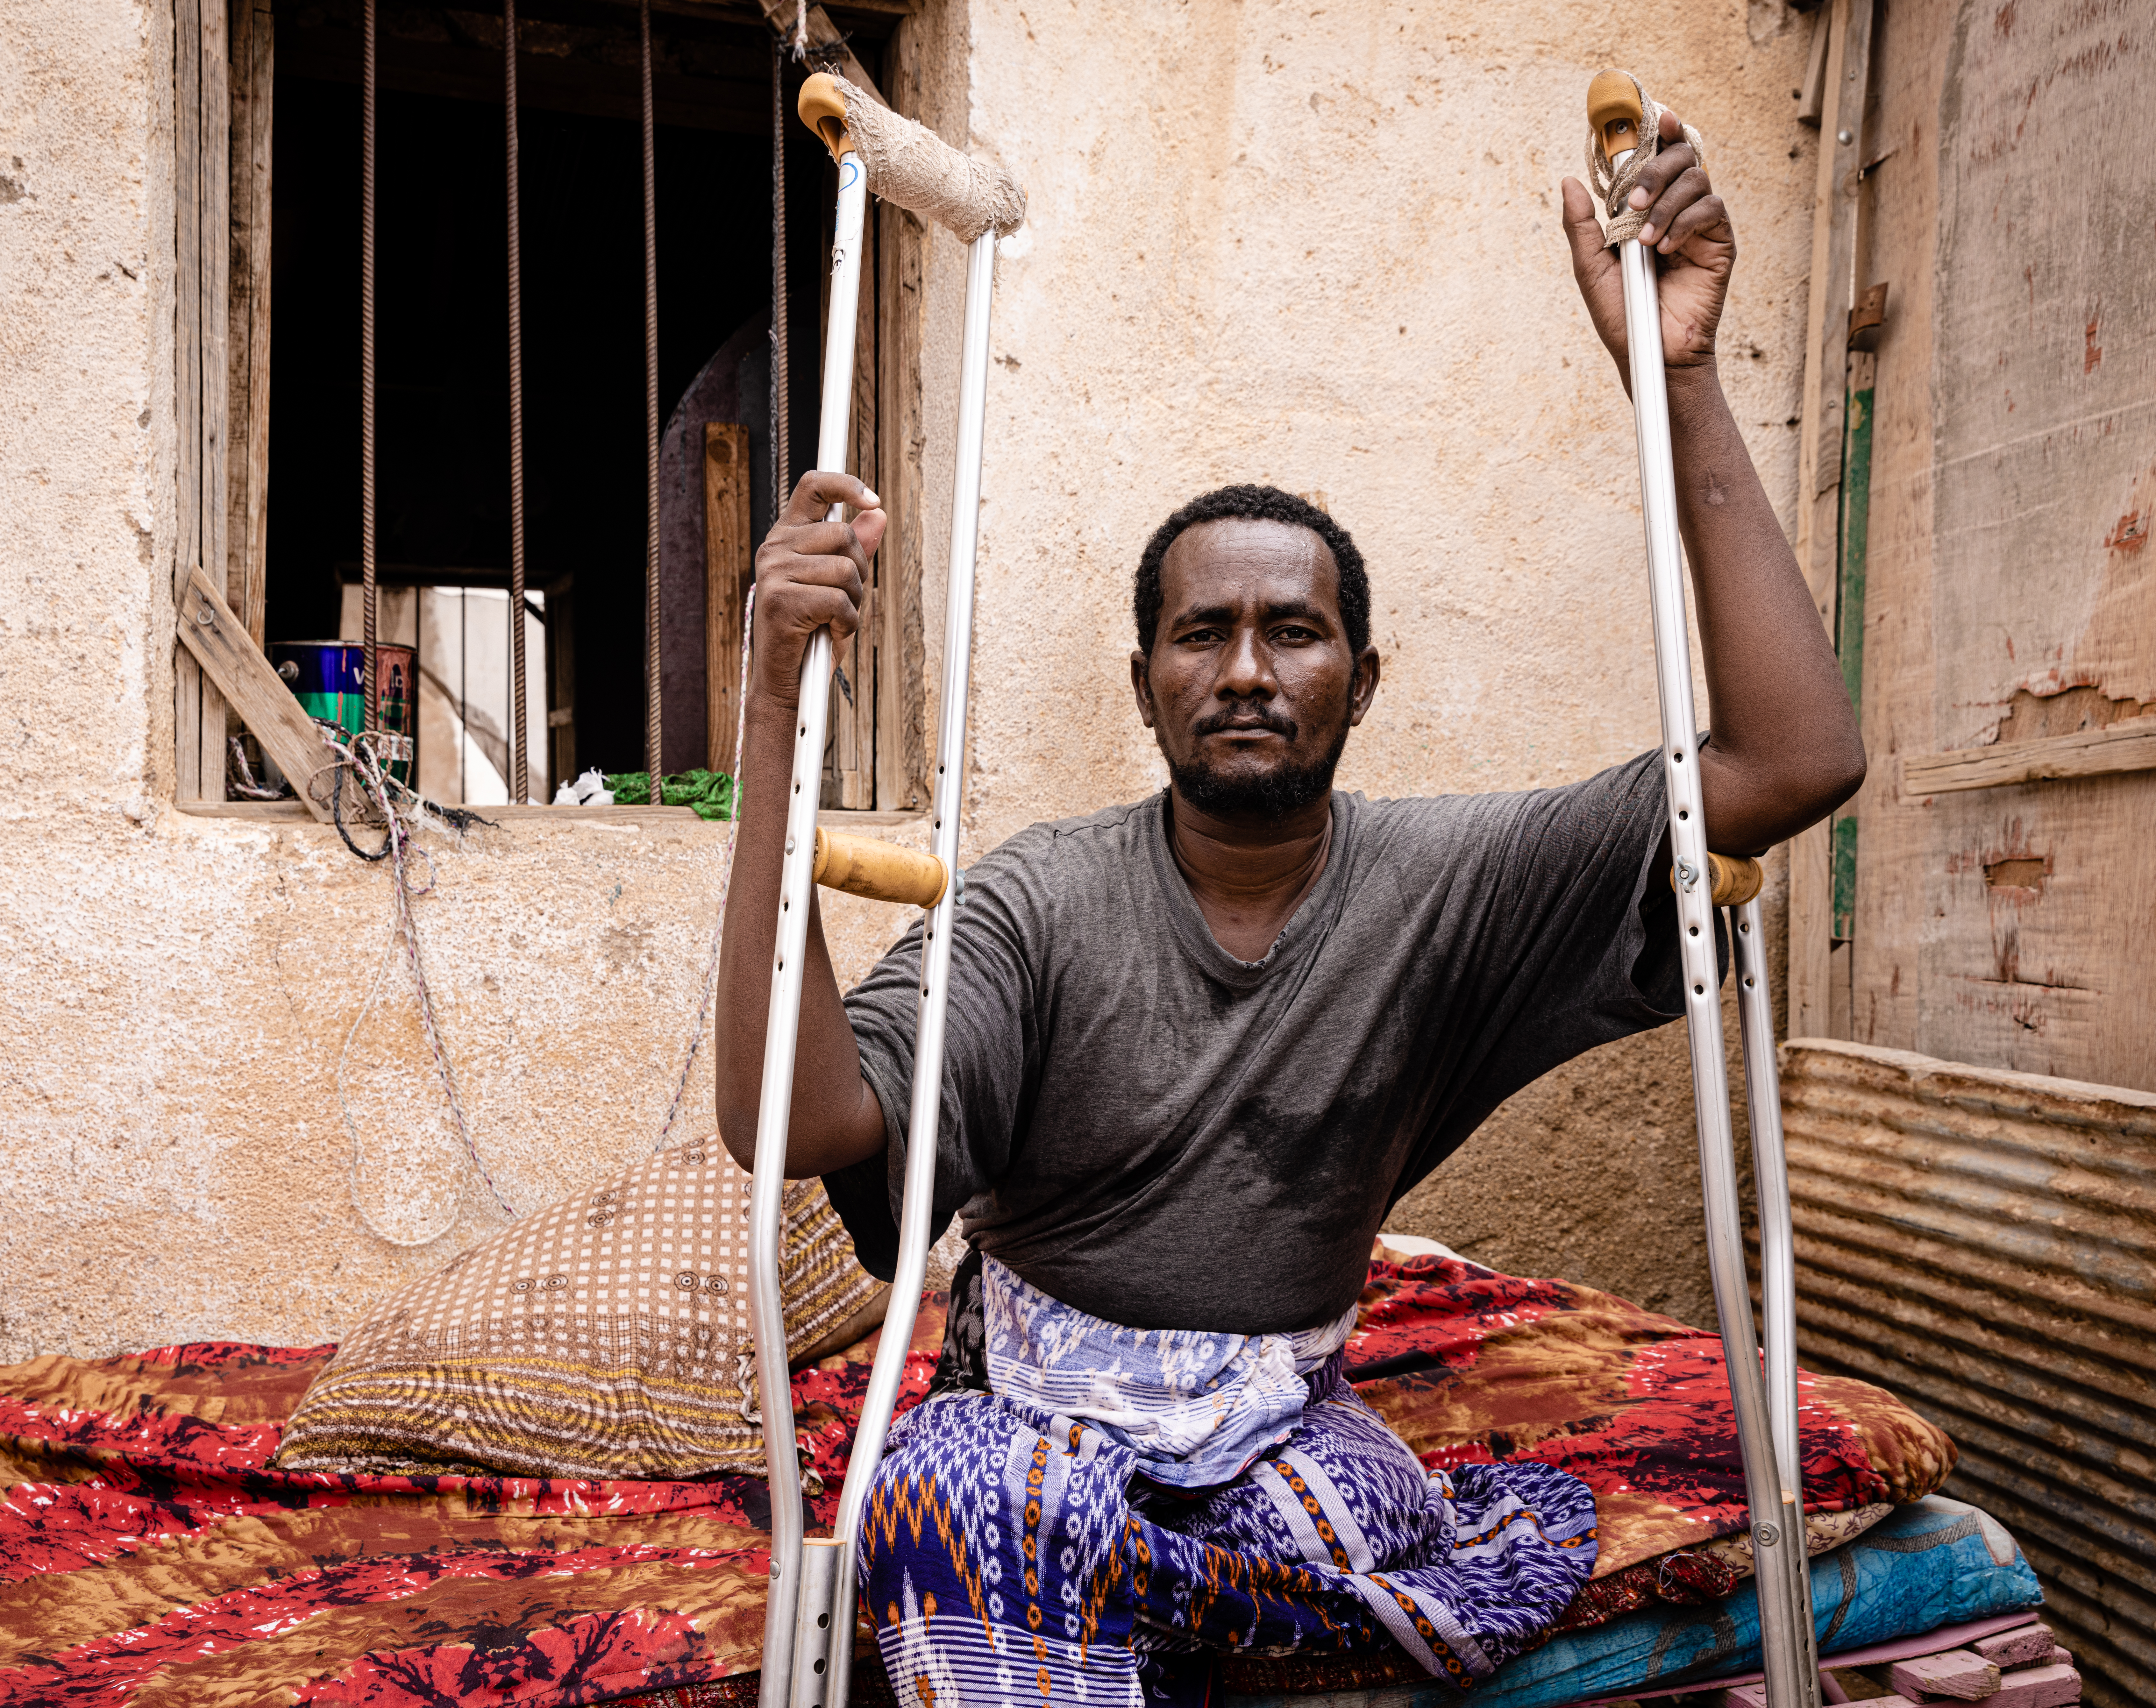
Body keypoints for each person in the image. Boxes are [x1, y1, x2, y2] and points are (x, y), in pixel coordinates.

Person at [715, 110, 1864, 1708]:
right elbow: (794, 1112)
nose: (1246, 670)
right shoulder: (1039, 903)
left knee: (1370, 1529)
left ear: (1362, 678)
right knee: (953, 1495)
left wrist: (1671, 379)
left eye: (1292, 633)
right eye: (1202, 635)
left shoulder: (1451, 883)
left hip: (1284, 1416)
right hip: (1036, 1408)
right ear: (1144, 683)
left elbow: (1795, 758)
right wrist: (773, 705)